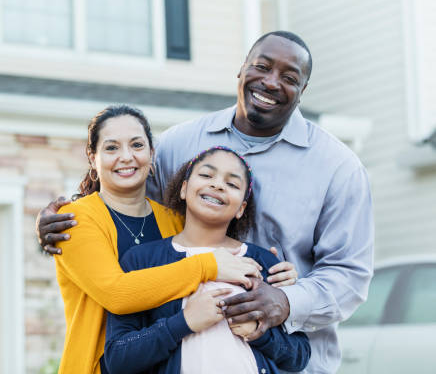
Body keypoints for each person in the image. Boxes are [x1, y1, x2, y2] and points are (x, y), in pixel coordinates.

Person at [37, 31, 374, 373]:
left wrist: (286, 301)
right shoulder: (178, 144)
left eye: (289, 78)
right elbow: (124, 188)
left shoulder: (338, 168)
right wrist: (68, 214)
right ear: (241, 70)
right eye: (262, 66)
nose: (271, 82)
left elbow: (349, 274)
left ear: (302, 91)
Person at [52, 105, 294, 374]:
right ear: (92, 156)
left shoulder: (173, 220)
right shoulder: (75, 219)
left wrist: (281, 278)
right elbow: (117, 294)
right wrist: (207, 266)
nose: (126, 157)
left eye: (136, 145)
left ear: (151, 153)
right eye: (111, 148)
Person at [104, 146, 311, 374]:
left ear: (241, 208)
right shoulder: (142, 259)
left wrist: (259, 333)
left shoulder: (264, 262)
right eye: (206, 175)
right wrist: (183, 323)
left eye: (232, 184)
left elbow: (299, 356)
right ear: (184, 189)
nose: (218, 185)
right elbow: (118, 359)